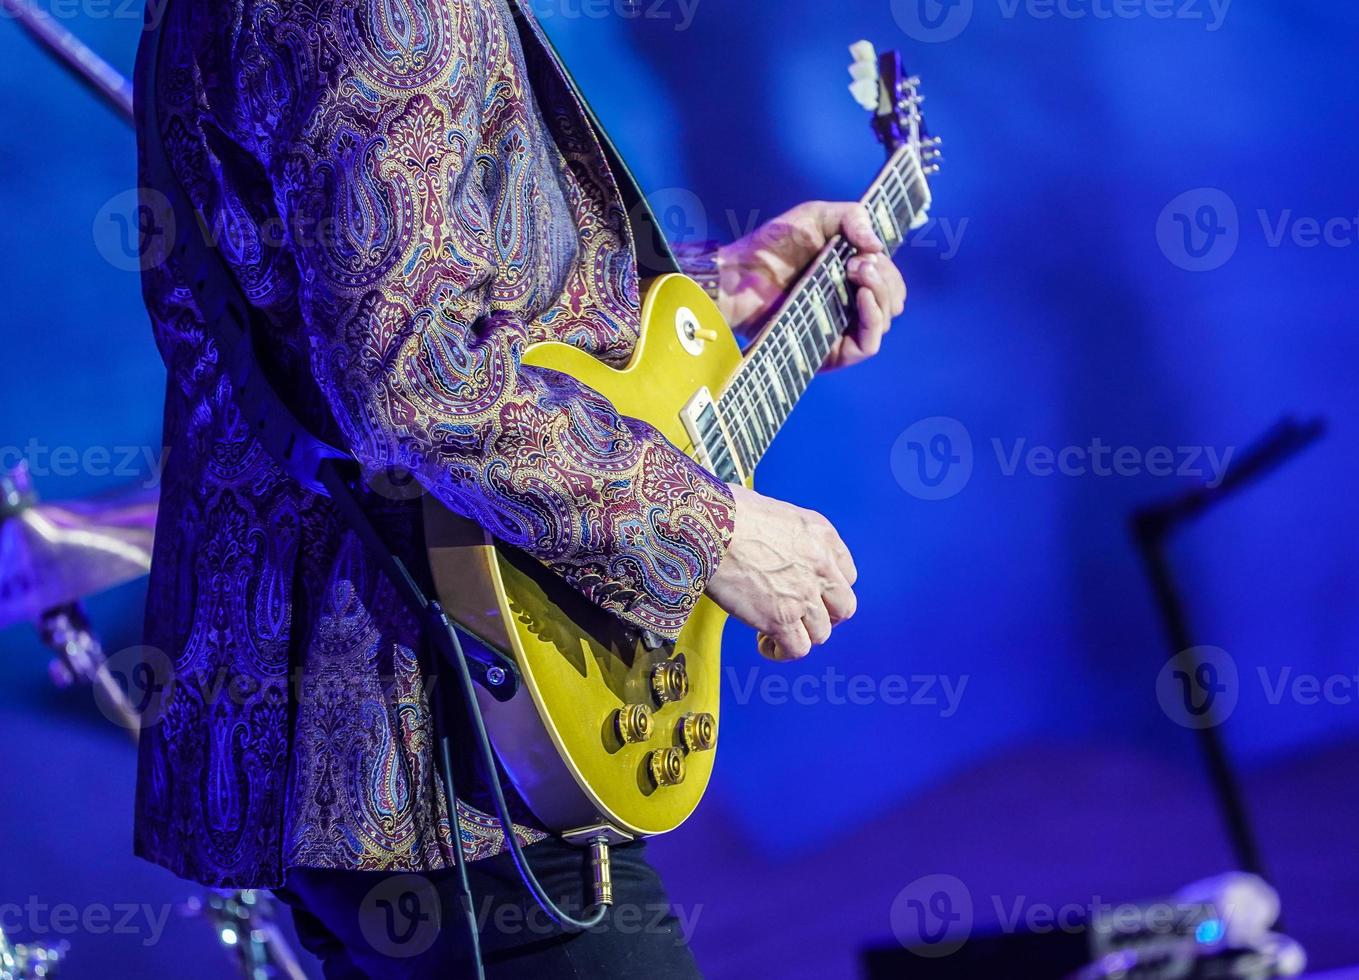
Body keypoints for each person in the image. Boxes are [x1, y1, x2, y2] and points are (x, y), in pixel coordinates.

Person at [134, 0, 907, 973]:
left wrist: (722, 285)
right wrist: (711, 527)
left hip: (380, 755)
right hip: (443, 749)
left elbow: (351, 309)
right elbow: (413, 375)